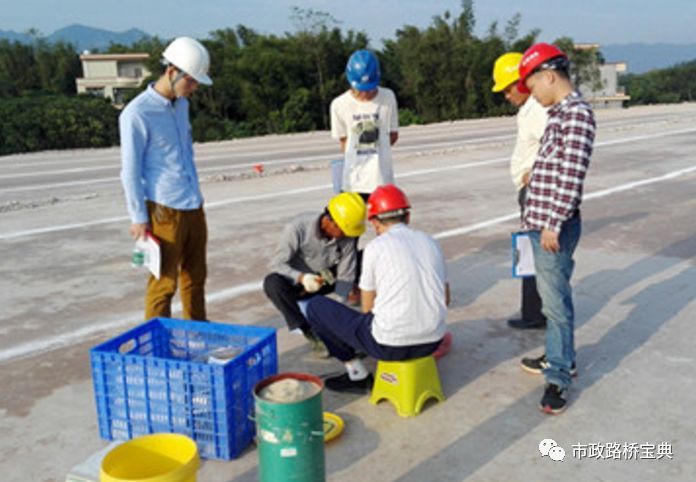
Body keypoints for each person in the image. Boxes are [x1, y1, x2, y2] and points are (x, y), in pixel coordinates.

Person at [303, 184, 450, 393]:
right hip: (432, 342)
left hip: (389, 346)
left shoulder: (375, 248)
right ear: (407, 217)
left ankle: (357, 374)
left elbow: (367, 308)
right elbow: (445, 299)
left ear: (373, 222)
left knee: (317, 307)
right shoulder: (431, 242)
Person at [516, 43, 596, 414]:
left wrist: (552, 224)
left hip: (553, 227)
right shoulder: (560, 113)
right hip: (543, 223)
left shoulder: (576, 115)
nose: (531, 93)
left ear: (549, 76)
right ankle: (556, 355)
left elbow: (571, 176)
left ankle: (559, 376)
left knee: (556, 305)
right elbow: (555, 164)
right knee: (552, 301)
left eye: (532, 85)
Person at [119, 37, 213, 321]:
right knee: (164, 283)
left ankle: (197, 332)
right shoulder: (137, 113)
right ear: (171, 71)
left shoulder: (181, 104)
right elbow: (130, 170)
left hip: (192, 203)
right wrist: (138, 217)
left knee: (195, 277)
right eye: (191, 81)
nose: (193, 88)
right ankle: (157, 343)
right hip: (164, 209)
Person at [263, 192, 366, 356]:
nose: (348, 235)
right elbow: (276, 264)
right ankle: (309, 332)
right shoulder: (298, 228)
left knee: (365, 257)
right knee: (272, 283)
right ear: (330, 222)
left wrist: (339, 317)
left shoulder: (347, 237)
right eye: (345, 230)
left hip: (325, 278)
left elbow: (346, 274)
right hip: (298, 285)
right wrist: (301, 277)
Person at [491, 52, 549, 330]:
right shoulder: (529, 110)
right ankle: (533, 310)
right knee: (530, 254)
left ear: (522, 82)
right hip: (530, 191)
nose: (505, 95)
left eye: (507, 88)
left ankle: (535, 313)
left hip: (535, 193)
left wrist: (533, 175)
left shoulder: (537, 110)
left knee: (532, 255)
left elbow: (553, 147)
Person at [330, 50, 400, 200]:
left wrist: (377, 153)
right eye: (362, 89)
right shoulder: (339, 105)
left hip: (382, 180)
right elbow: (344, 143)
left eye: (370, 88)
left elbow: (393, 135)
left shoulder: (388, 98)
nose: (366, 93)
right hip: (353, 182)